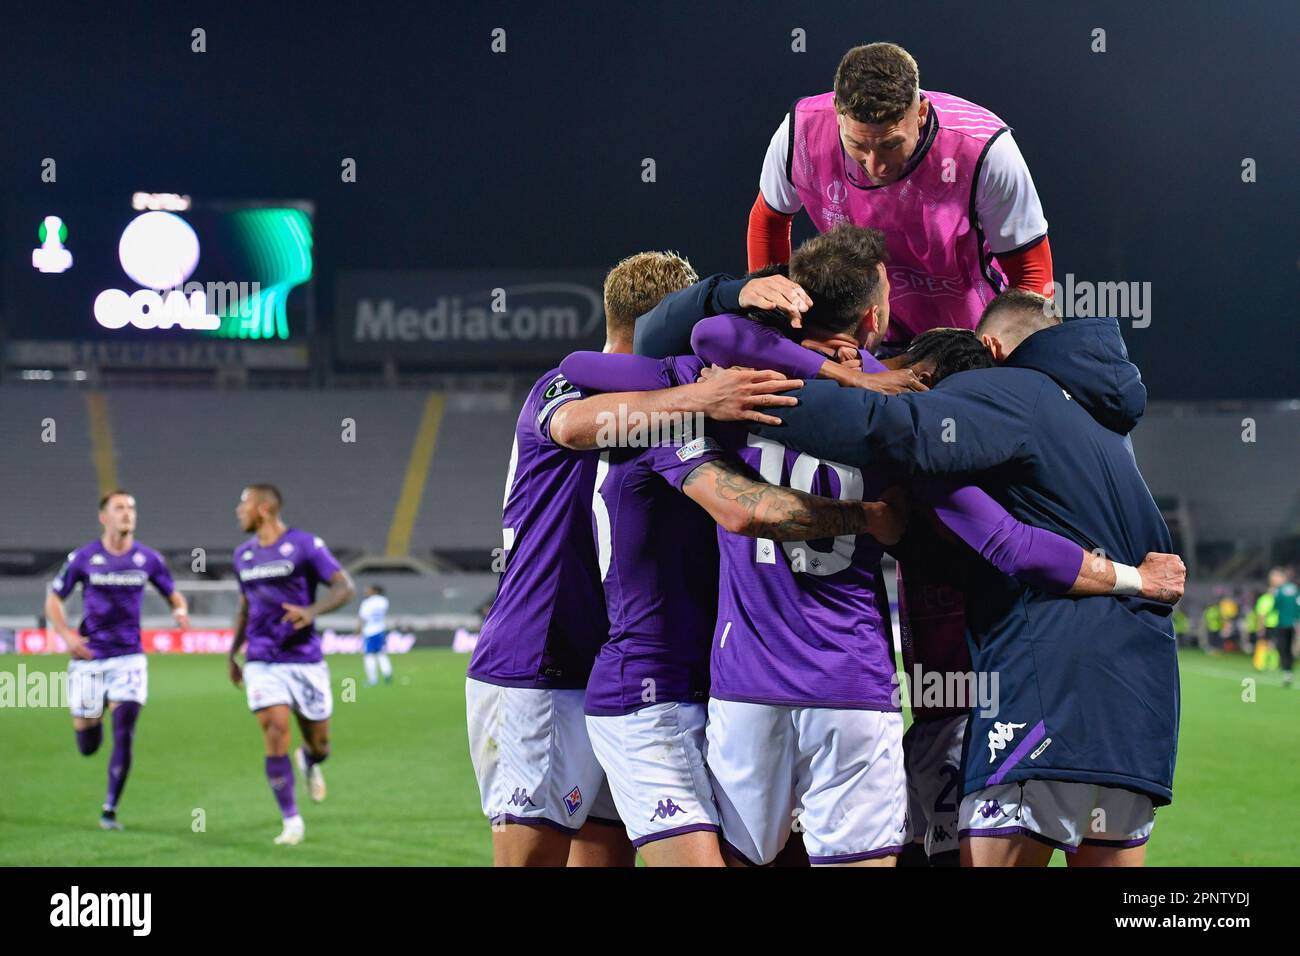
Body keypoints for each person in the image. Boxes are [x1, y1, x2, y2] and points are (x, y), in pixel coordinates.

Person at [753, 289, 1185, 866]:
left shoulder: (1011, 388)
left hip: (1048, 685)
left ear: (991, 348)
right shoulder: (1103, 426)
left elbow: (891, 427)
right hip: (1140, 706)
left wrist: (755, 392)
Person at [466, 251, 804, 867]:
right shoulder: (567, 386)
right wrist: (702, 398)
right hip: (538, 656)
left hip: (613, 666)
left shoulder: (666, 397)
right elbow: (572, 428)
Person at [748, 42, 1052, 351]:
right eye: (858, 145)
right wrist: (775, 328)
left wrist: (1019, 361)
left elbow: (1031, 273)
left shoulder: (983, 149)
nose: (875, 166)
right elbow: (768, 222)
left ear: (920, 113)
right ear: (838, 115)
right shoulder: (799, 134)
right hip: (865, 336)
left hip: (972, 338)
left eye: (891, 145)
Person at [45, 490, 189, 830]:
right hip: (90, 660)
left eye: (131, 508)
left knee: (124, 732)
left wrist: (179, 609)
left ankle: (109, 810)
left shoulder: (148, 559)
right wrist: (65, 634)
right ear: (104, 517)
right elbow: (54, 597)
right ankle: (89, 730)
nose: (128, 514)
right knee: (88, 744)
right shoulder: (84, 558)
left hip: (129, 660)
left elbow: (172, 592)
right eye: (120, 508)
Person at [227, 484, 356, 845]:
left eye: (244, 503)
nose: (238, 510)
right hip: (262, 661)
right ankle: (291, 820)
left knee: (321, 745)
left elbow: (345, 587)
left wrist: (311, 611)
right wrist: (232, 652)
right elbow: (245, 607)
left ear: (264, 508)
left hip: (305, 660)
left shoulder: (304, 545)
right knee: (274, 730)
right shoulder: (242, 556)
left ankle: (310, 760)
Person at [358, 584, 391, 686]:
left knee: (369, 656)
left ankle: (372, 679)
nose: (366, 591)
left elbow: (363, 617)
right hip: (380, 630)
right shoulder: (384, 601)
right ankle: (387, 673)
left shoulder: (367, 602)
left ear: (374, 591)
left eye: (368, 589)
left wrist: (358, 630)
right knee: (381, 653)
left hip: (370, 631)